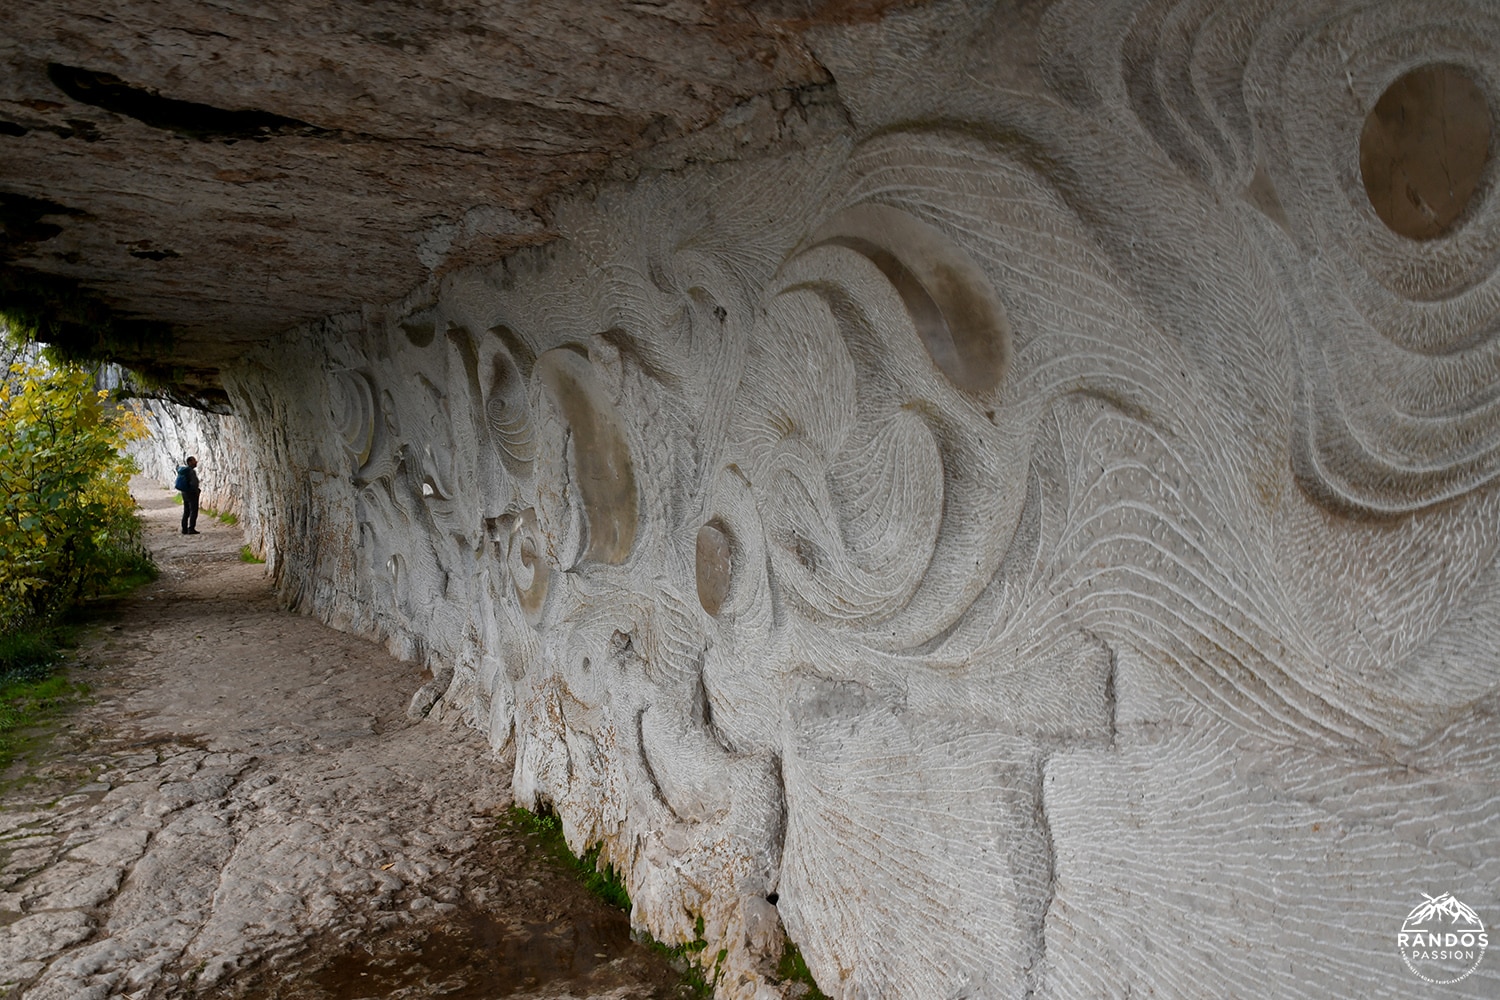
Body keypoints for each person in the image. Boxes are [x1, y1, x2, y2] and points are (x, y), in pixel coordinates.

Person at [176, 456, 201, 534]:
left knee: (186, 511)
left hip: (184, 493)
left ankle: (184, 529)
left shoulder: (183, 471)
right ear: (190, 462)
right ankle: (191, 528)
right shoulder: (191, 472)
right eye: (194, 461)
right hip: (191, 493)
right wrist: (196, 491)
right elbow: (194, 483)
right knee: (194, 510)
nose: (196, 462)